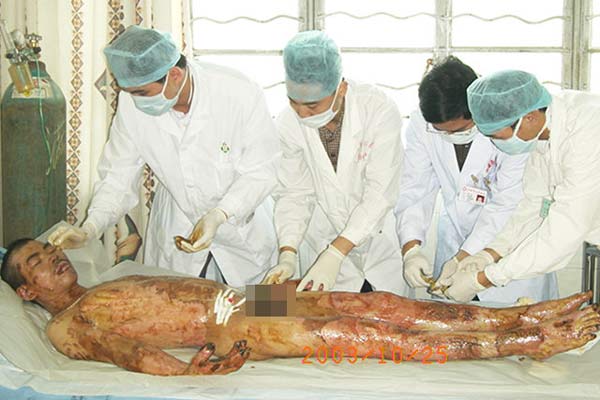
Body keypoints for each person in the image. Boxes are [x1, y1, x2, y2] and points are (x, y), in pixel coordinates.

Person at [1, 238, 598, 376]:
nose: (54, 256)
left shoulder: (108, 279)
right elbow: (124, 353)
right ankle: (527, 341)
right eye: (36, 262)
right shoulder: (66, 326)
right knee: (367, 334)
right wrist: (186, 373)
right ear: (26, 293)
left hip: (244, 296)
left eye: (49, 248)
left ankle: (517, 315)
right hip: (233, 322)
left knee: (379, 302)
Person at [47, 25, 281, 287]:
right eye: (130, 92)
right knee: (181, 310)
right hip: (178, 229)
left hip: (245, 231)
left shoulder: (239, 91)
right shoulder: (131, 103)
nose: (136, 100)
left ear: (175, 75)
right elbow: (117, 177)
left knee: (268, 310)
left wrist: (220, 214)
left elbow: (263, 170)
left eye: (142, 93)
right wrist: (91, 227)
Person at [394, 57, 558, 303]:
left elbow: (508, 202)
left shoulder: (508, 124)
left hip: (509, 249)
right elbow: (415, 188)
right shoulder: (422, 122)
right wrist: (411, 248)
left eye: (458, 130)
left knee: (514, 322)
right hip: (454, 239)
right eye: (442, 131)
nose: (449, 135)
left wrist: (465, 257)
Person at [262, 30, 410, 296]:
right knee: (316, 317)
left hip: (376, 242)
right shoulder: (286, 123)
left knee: (388, 315)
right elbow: (294, 193)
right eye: (294, 102)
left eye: (313, 106)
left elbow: (380, 193)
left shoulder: (377, 108)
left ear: (340, 88)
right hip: (322, 239)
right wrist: (287, 253)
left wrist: (336, 252)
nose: (302, 113)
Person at [437, 70, 600, 302]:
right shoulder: (543, 132)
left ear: (529, 118)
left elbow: (566, 228)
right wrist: (487, 255)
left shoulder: (586, 133)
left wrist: (485, 278)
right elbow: (533, 205)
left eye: (499, 136)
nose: (497, 144)